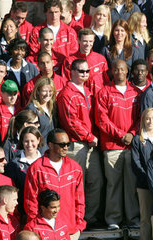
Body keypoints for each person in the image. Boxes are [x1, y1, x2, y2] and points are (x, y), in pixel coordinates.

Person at [56, 59, 103, 229]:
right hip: (76, 145)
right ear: (72, 72)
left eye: (87, 71)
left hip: (91, 144)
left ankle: (88, 218)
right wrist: (90, 137)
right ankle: (75, 220)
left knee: (95, 182)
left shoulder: (88, 91)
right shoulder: (66, 94)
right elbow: (71, 122)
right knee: (76, 185)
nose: (85, 74)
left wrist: (92, 138)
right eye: (81, 71)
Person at [95, 60, 139, 230]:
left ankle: (133, 218)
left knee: (131, 185)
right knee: (113, 184)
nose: (119, 72)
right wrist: (121, 135)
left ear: (127, 71)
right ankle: (113, 219)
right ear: (111, 71)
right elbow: (102, 119)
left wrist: (132, 134)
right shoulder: (104, 92)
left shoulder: (135, 92)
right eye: (116, 69)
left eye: (122, 69)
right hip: (112, 146)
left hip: (130, 146)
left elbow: (140, 118)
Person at [24, 129, 85, 240]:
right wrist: (36, 227)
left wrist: (78, 225)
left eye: (68, 144)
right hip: (43, 234)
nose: (66, 147)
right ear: (50, 145)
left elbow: (80, 200)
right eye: (62, 144)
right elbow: (30, 202)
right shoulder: (36, 168)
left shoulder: (75, 168)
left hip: (69, 231)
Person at [131, 108, 153, 240]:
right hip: (144, 185)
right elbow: (136, 164)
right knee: (145, 219)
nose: (150, 121)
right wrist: (149, 178)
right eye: (148, 118)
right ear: (143, 120)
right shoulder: (138, 139)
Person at [5, 126, 43, 216]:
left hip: (44, 209)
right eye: (26, 141)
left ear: (38, 140)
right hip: (23, 210)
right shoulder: (14, 164)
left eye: (32, 141)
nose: (29, 144)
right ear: (22, 142)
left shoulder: (46, 161)